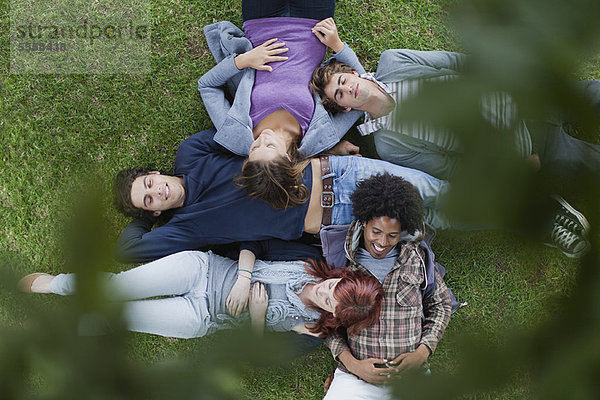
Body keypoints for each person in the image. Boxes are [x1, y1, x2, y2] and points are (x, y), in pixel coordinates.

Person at [309, 50, 595, 258]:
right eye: (340, 94)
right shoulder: (388, 146)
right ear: (345, 108)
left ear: (353, 73)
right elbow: (450, 165)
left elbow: (456, 64)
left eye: (343, 80)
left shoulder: (394, 62)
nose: (347, 88)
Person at [113, 128, 450, 264]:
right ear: (154, 213)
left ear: (153, 174)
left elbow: (251, 129)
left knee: (436, 192)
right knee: (435, 219)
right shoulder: (185, 227)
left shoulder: (193, 152)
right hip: (340, 222)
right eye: (149, 202)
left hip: (340, 173)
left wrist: (323, 144)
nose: (156, 192)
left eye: (148, 185)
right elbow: (126, 251)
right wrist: (144, 222)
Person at [18, 251, 383, 340]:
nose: (323, 292)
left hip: (203, 317)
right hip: (204, 269)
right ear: (341, 277)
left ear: (334, 316)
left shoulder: (313, 326)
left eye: (329, 302)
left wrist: (256, 316)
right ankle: (58, 284)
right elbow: (252, 245)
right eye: (334, 286)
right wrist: (243, 278)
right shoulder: (308, 266)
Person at [320, 173, 452, 400]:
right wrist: (353, 365)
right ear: (364, 223)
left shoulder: (415, 259)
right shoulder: (342, 262)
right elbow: (325, 321)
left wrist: (423, 352)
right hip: (356, 378)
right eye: (376, 232)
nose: (382, 243)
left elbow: (441, 304)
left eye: (392, 235)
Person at [198, 0, 363, 160]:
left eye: (254, 148)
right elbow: (364, 98)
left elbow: (207, 86)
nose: (261, 140)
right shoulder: (320, 138)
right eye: (270, 146)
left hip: (261, 22)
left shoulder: (235, 134)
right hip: (313, 24)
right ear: (288, 158)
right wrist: (338, 46)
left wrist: (244, 60)